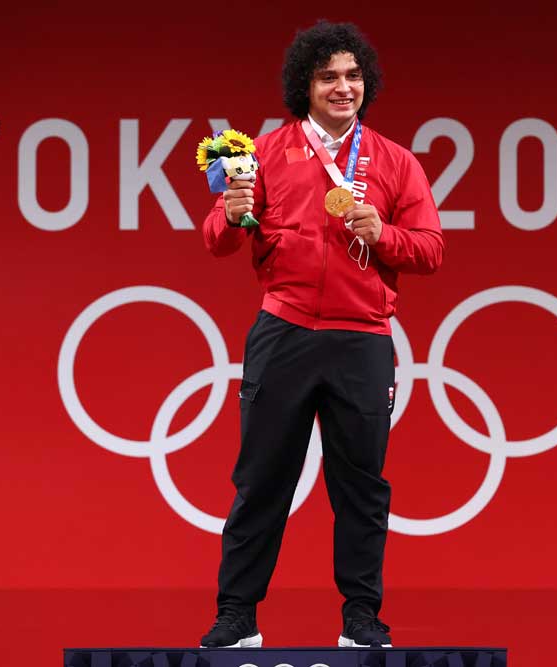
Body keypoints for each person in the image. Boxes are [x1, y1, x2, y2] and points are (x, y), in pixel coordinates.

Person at [199, 20, 444, 649]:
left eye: (354, 77)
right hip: (283, 330)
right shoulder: (261, 152)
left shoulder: (394, 161)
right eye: (329, 77)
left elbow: (431, 250)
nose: (343, 88)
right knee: (261, 479)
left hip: (361, 337)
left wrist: (383, 235)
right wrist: (229, 215)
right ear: (303, 86)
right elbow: (217, 241)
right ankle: (237, 616)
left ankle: (361, 618)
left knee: (361, 486)